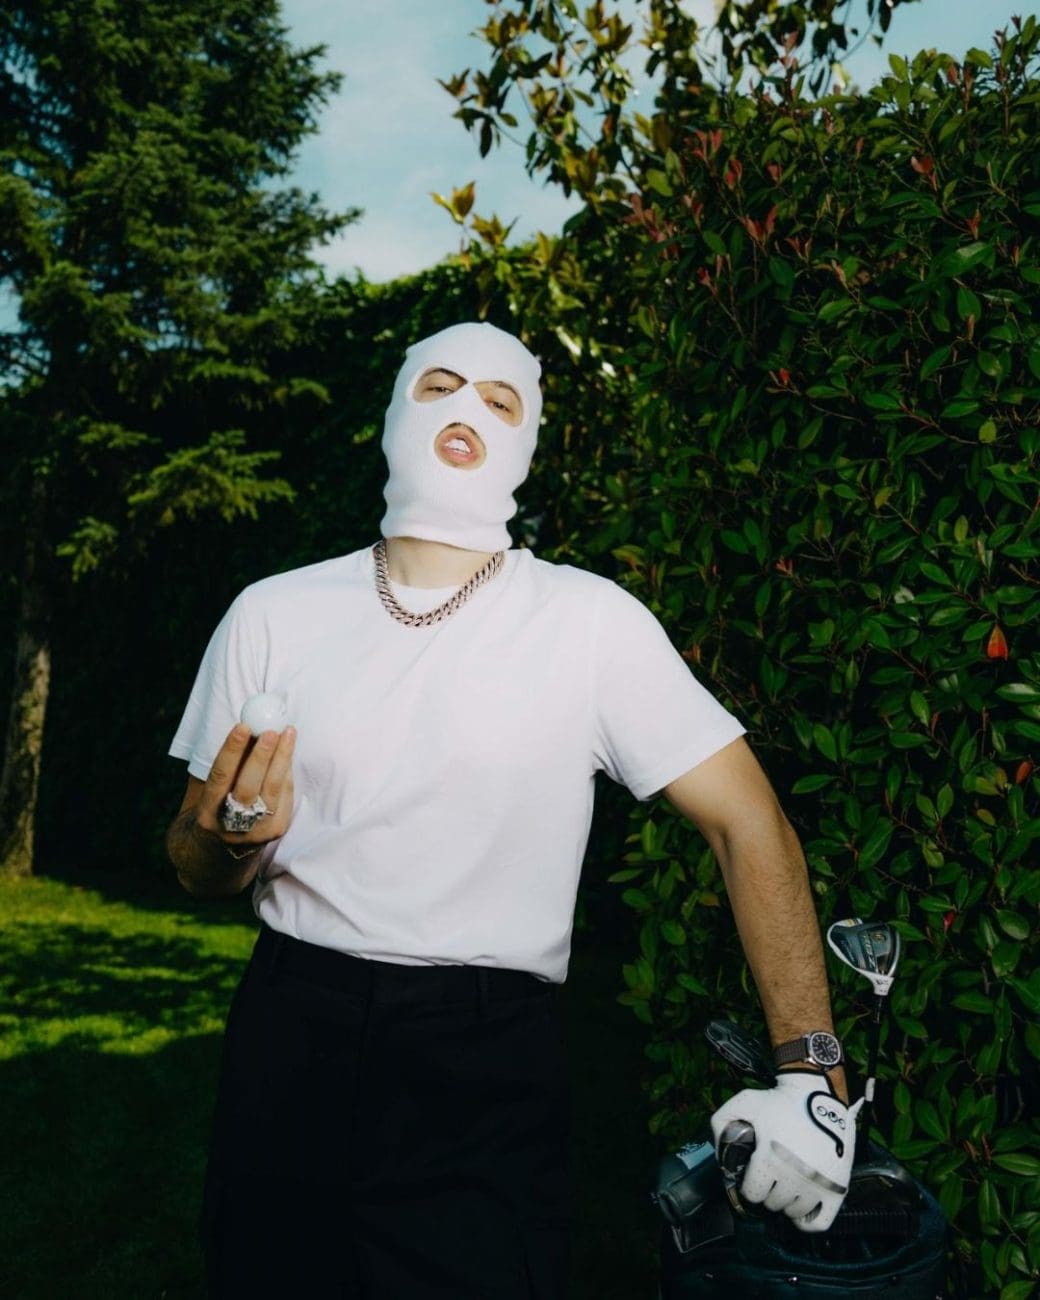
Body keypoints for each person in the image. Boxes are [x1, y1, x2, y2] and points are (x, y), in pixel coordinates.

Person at [166, 321, 858, 1299]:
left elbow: (748, 823)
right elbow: (195, 864)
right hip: (292, 1031)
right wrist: (233, 832)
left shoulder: (588, 622)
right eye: (439, 385)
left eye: (499, 399)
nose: (466, 409)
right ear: (395, 413)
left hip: (483, 1062)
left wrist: (813, 1075)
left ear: (527, 440)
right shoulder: (272, 612)